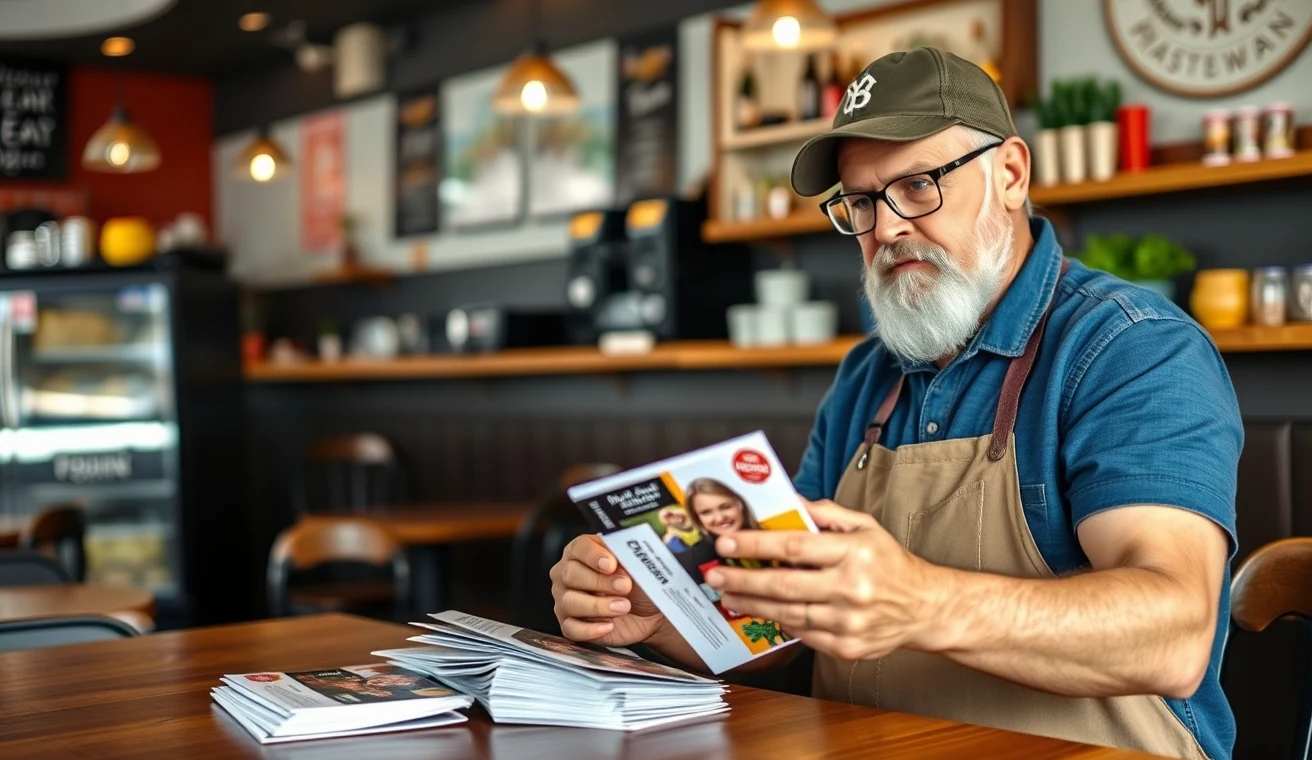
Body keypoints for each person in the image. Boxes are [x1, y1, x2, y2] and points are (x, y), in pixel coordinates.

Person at [549, 48, 1240, 760]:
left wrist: (922, 604)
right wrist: (662, 615)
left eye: (916, 186)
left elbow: (1174, 633)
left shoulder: (1130, 349)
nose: (886, 229)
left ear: (1009, 174)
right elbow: (784, 631)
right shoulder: (867, 376)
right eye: (861, 203)